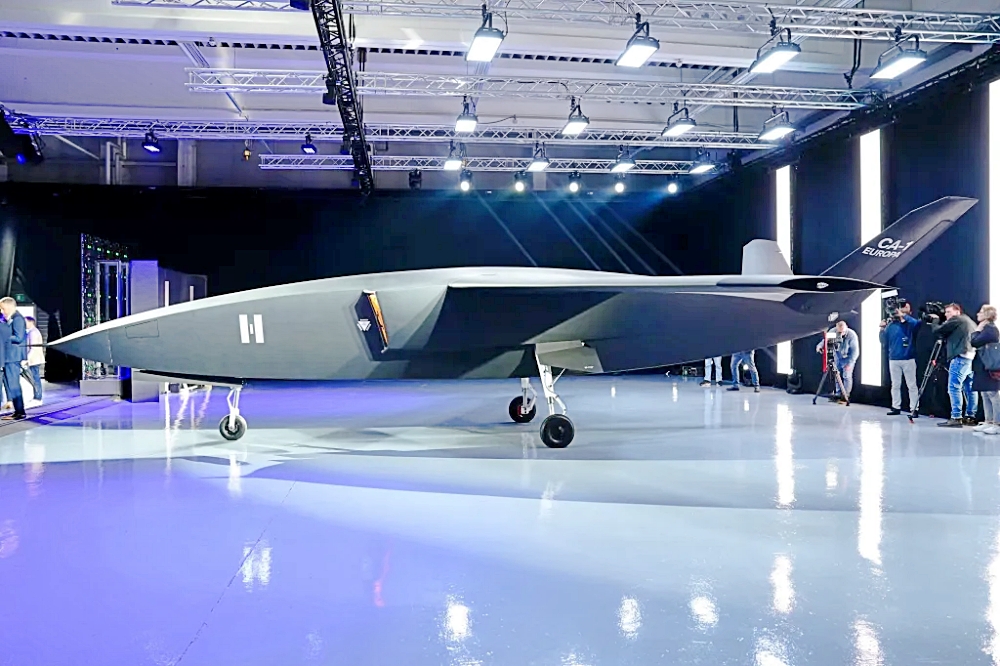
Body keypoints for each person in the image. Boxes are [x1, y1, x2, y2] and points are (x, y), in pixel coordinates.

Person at [933, 302, 978, 428]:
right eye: (946, 312)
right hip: (971, 357)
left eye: (949, 312)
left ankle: (956, 417)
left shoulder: (957, 319)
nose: (946, 315)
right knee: (970, 389)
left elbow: (938, 331)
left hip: (960, 357)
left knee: (954, 387)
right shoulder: (968, 321)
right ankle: (970, 416)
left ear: (957, 311)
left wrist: (935, 321)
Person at [880, 299, 921, 416]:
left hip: (908, 358)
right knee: (895, 385)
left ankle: (914, 408)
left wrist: (903, 315)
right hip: (893, 359)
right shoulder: (890, 325)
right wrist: (881, 329)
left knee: (911, 385)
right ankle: (896, 407)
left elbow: (917, 323)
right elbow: (883, 341)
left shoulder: (909, 324)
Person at [971, 304, 1000, 435]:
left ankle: (997, 423)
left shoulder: (990, 330)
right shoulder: (987, 329)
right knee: (985, 393)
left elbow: (974, 342)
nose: (978, 314)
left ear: (987, 314)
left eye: (981, 312)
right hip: (983, 364)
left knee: (992, 393)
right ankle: (988, 421)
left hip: (989, 366)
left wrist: (976, 331)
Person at [816, 320, 859, 402]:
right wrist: (820, 346)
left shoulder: (852, 335)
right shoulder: (832, 331)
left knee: (847, 376)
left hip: (848, 357)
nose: (840, 334)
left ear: (846, 328)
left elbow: (855, 352)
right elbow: (825, 340)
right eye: (839, 332)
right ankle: (838, 394)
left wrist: (850, 363)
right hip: (837, 356)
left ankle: (846, 396)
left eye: (842, 332)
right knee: (837, 375)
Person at [0, 298, 26, 420]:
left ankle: (20, 412)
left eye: (2, 308)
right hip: (8, 357)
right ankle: (17, 411)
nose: (1, 311)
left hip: (12, 357)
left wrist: (4, 334)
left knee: (14, 385)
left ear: (9, 306)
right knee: (10, 386)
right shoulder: (10, 319)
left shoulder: (17, 319)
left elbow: (19, 337)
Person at [24, 316, 44, 404]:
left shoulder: (33, 333)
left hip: (34, 360)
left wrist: (27, 359)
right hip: (33, 359)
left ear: (30, 322)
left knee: (35, 379)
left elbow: (34, 348)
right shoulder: (32, 332)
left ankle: (38, 397)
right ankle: (36, 396)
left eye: (25, 322)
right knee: (34, 378)